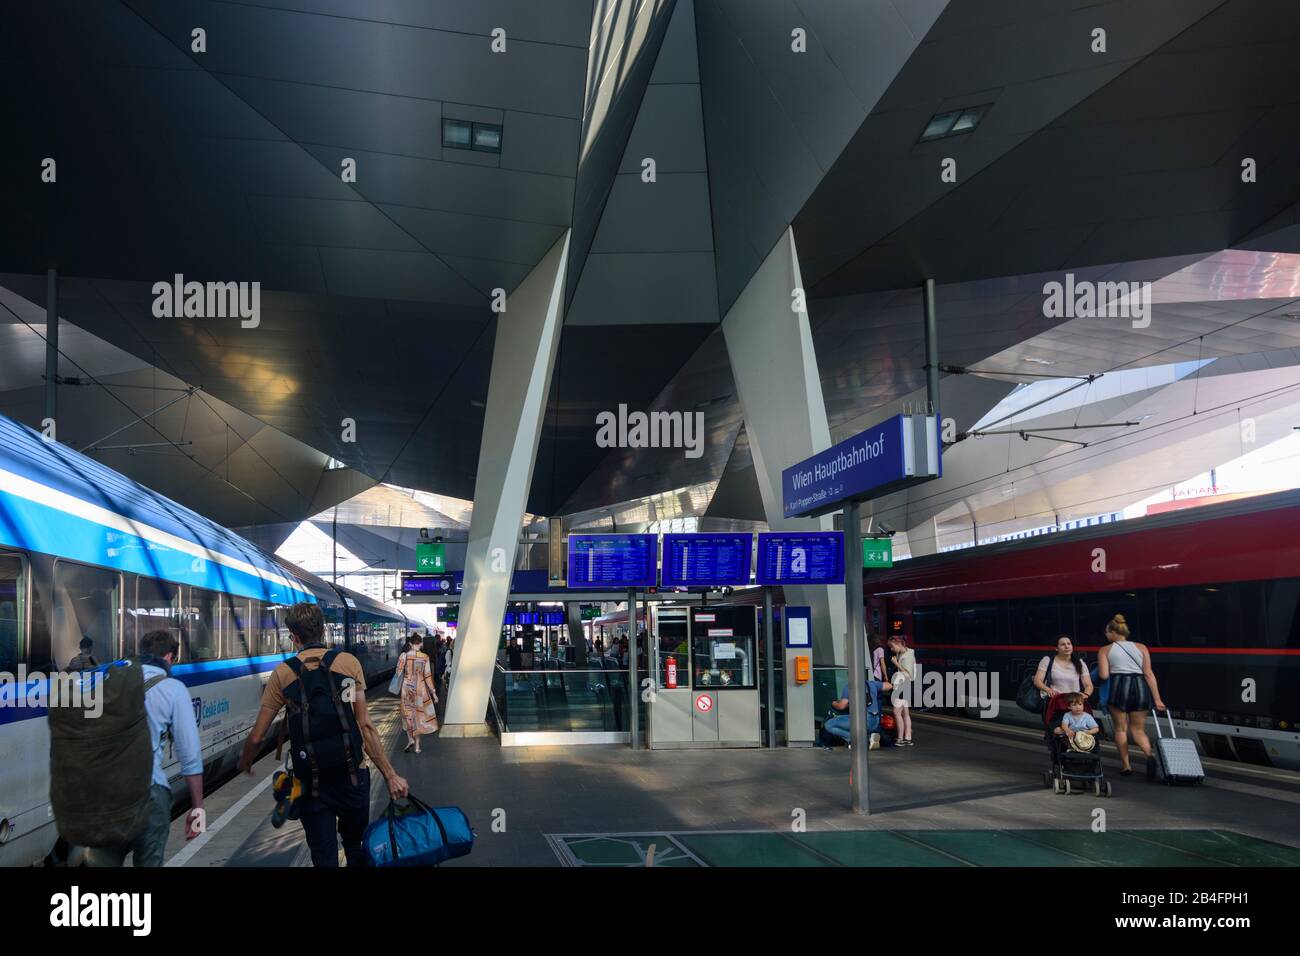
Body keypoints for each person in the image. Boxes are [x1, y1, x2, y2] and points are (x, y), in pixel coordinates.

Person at [237, 602, 408, 867]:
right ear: (324, 631)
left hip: (311, 784)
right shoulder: (348, 663)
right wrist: (390, 774)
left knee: (323, 856)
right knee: (357, 847)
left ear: (293, 636)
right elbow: (365, 726)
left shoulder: (283, 674)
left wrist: (246, 761)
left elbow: (257, 737)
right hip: (352, 777)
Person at [85, 629, 204, 866]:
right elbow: (189, 756)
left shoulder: (106, 682)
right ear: (169, 656)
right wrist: (197, 809)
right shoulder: (172, 688)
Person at [1096, 613, 1166, 776]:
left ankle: (1126, 766)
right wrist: (1157, 698)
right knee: (1138, 730)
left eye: (1107, 632)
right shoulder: (1141, 647)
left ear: (1113, 632)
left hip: (1119, 688)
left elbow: (1104, 675)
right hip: (1140, 687)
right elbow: (1148, 673)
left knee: (1120, 729)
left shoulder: (1105, 650)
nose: (1106, 635)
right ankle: (1149, 756)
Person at [1032, 634, 1094, 724]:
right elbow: (1037, 680)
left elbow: (1088, 685)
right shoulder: (1048, 660)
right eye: (1063, 644)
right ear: (1056, 648)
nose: (1067, 646)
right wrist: (1048, 690)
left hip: (1074, 703)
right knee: (1057, 732)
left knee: (1077, 732)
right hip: (1055, 702)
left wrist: (1086, 694)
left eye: (1069, 644)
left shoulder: (1079, 662)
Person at [823, 673, 892, 750]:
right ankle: (869, 738)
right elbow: (889, 686)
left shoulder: (850, 686)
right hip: (875, 722)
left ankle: (854, 740)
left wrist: (833, 703)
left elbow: (842, 706)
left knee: (829, 724)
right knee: (852, 722)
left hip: (863, 721)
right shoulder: (871, 684)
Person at [397, 632, 439, 753]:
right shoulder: (425, 657)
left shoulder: (404, 656)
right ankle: (417, 746)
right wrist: (434, 693)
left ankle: (410, 739)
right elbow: (427, 676)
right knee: (418, 716)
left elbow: (398, 673)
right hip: (420, 690)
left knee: (408, 716)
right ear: (420, 644)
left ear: (410, 643)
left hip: (407, 689)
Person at [887, 635, 916, 746]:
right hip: (907, 685)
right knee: (905, 713)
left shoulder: (907, 656)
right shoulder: (904, 653)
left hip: (903, 684)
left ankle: (900, 738)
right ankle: (908, 738)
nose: (891, 649)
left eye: (892, 646)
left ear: (898, 644)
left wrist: (896, 663)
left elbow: (907, 674)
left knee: (897, 712)